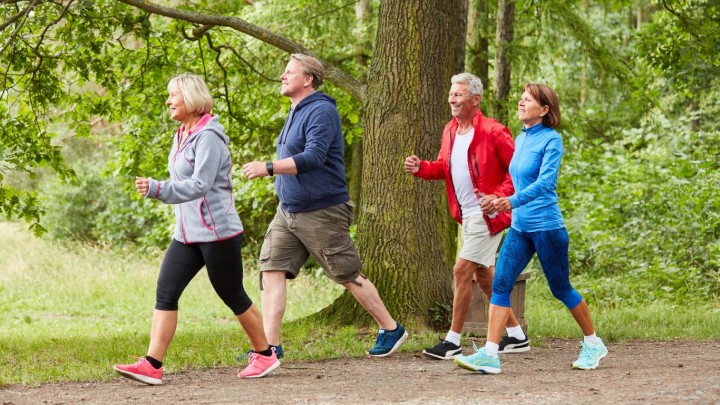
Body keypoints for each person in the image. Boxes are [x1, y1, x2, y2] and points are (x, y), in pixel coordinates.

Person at [113, 74, 280, 384]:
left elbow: (200, 184)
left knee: (231, 294)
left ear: (190, 98)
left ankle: (266, 355)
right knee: (166, 291)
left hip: (218, 233)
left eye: (172, 95)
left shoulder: (209, 138)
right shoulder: (182, 134)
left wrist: (158, 189)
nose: (168, 101)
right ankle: (152, 364)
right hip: (187, 234)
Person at [242, 53, 408, 358]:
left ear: (308, 79)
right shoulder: (296, 110)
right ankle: (269, 348)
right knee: (271, 269)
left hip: (322, 210)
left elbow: (314, 157)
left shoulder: (320, 110)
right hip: (288, 210)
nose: (282, 75)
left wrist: (268, 167)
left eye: (289, 71)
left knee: (346, 273)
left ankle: (391, 328)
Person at [454, 83, 608, 374]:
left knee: (560, 288)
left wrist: (510, 201)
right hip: (520, 227)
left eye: (528, 100)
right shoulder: (522, 139)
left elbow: (546, 183)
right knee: (500, 284)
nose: (521, 103)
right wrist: (498, 199)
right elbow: (515, 180)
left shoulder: (552, 141)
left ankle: (593, 342)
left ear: (544, 110)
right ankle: (490, 354)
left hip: (547, 227)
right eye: (521, 99)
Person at [404, 73, 528, 360]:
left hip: (489, 217)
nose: (451, 99)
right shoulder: (449, 130)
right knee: (484, 278)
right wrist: (421, 167)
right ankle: (517, 336)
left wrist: (499, 198)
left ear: (475, 99)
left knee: (461, 271)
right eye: (451, 94)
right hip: (466, 217)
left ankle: (452, 340)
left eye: (458, 95)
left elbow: (518, 172)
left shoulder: (494, 131)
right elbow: (443, 167)